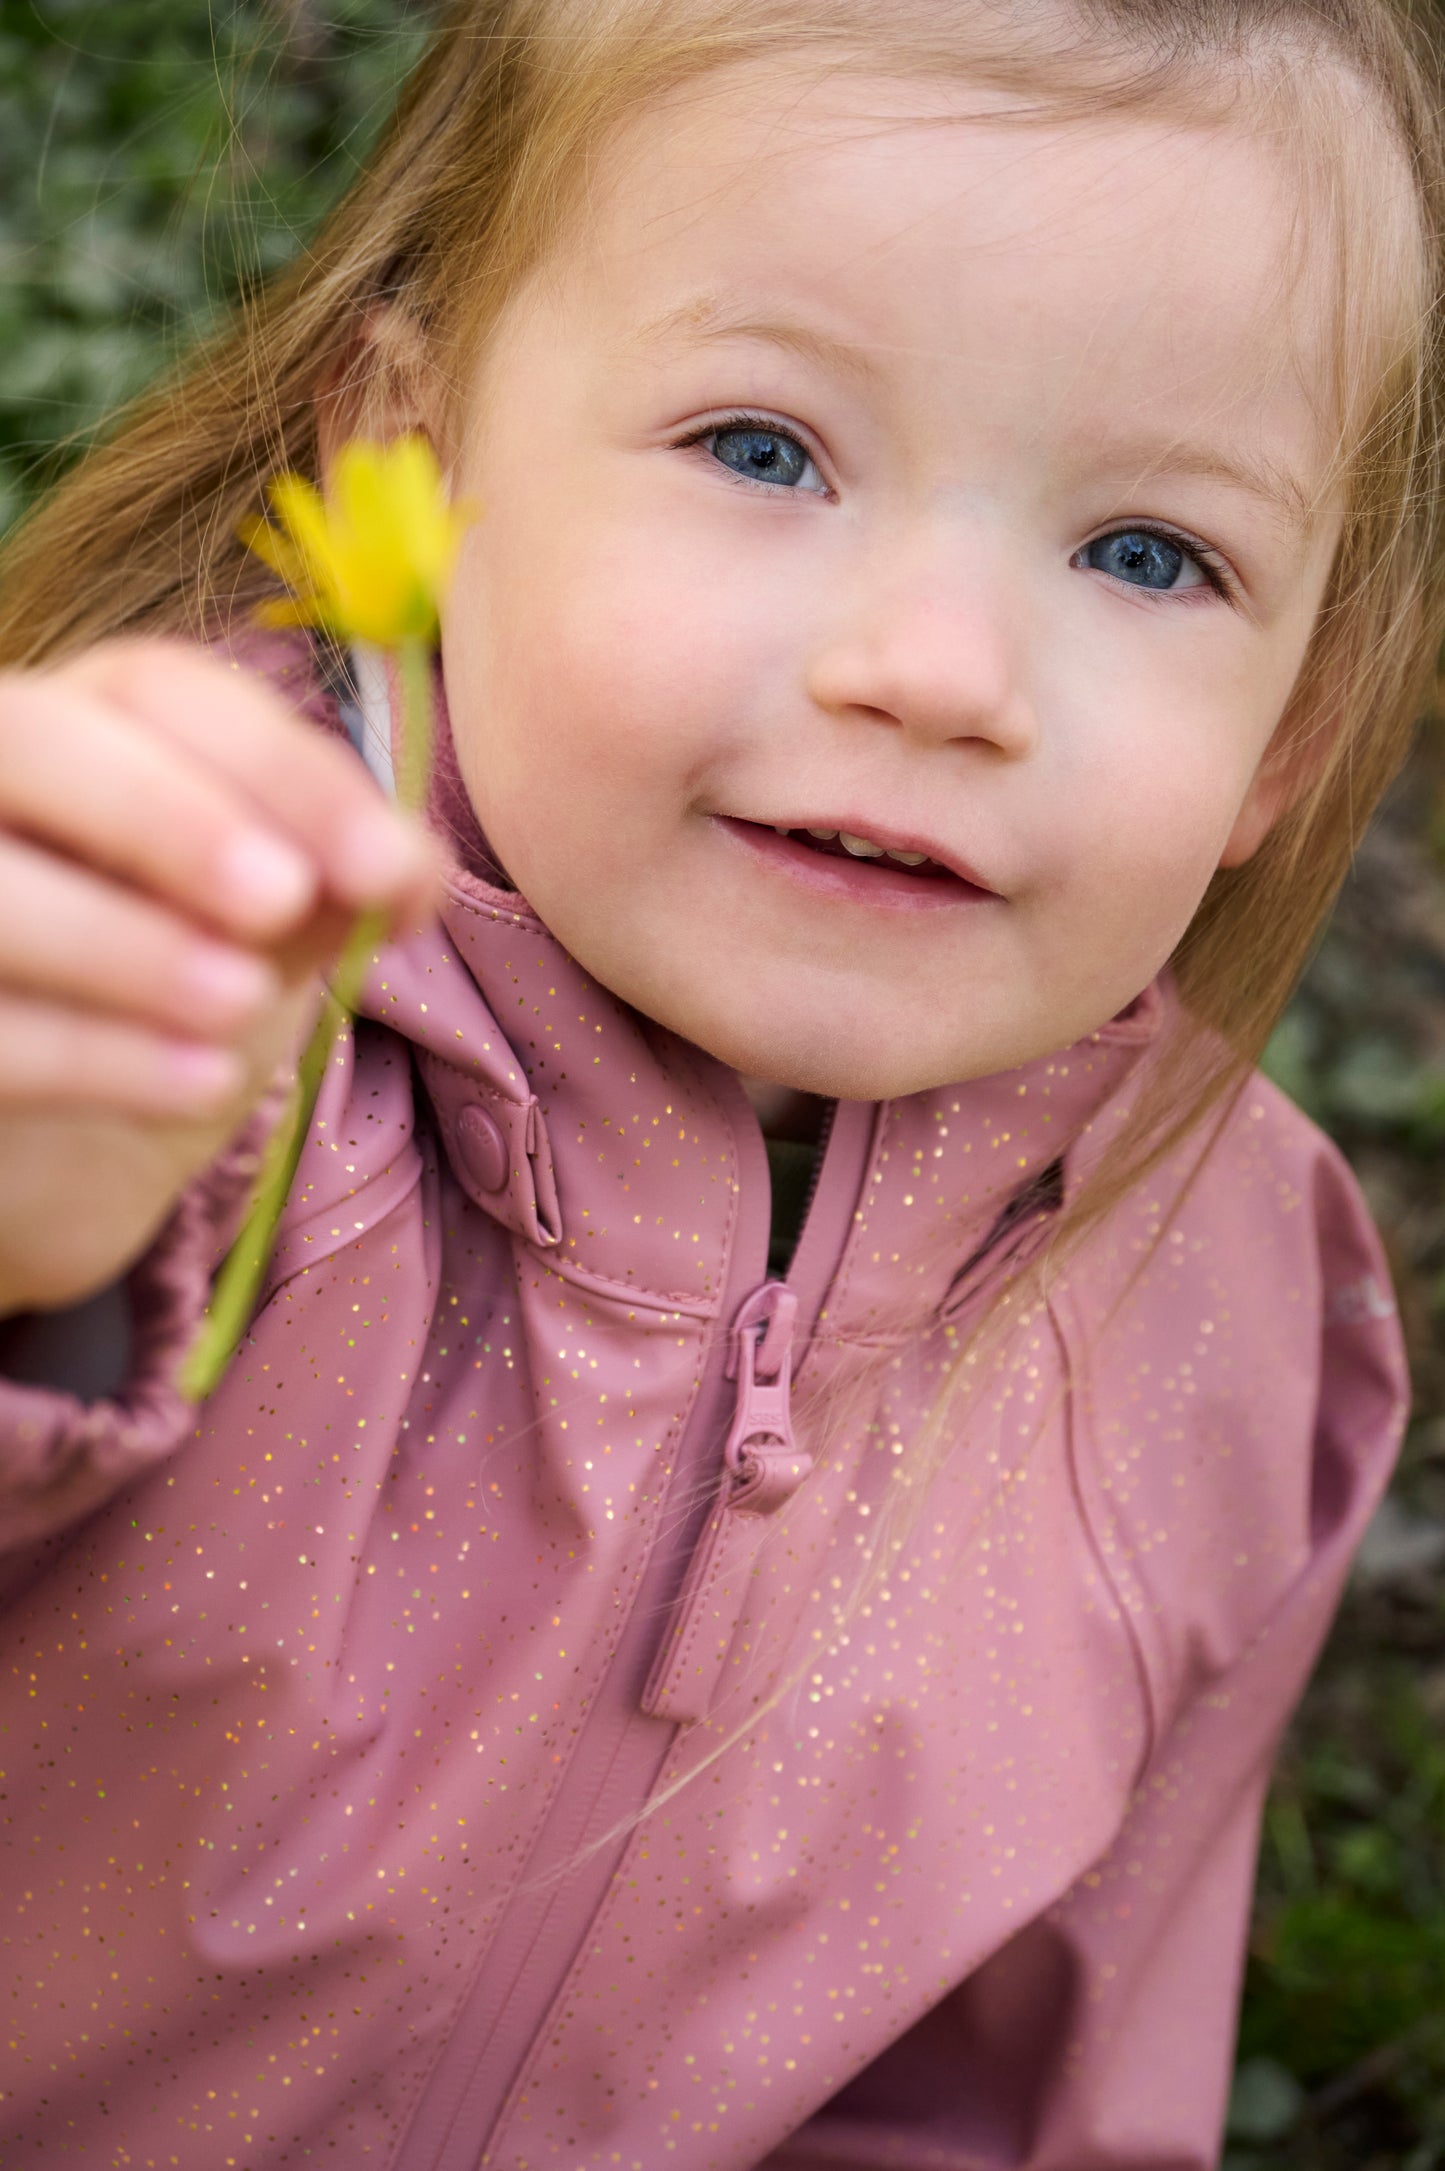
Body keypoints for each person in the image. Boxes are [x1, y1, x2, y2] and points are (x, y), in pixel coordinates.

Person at [0, 0, 1438, 2162]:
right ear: (416, 458)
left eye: (1149, 554)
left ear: (1300, 724)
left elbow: (1017, 2087)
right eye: (764, 449)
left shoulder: (1214, 1310)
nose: (936, 676)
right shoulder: (167, 986)